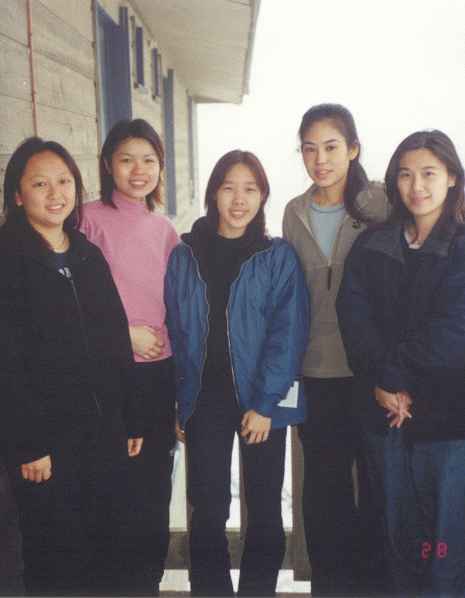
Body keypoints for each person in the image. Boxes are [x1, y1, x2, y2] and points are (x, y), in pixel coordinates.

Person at [0, 137, 142, 596]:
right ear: (16, 195)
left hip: (104, 432)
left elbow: (116, 339)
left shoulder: (88, 255)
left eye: (64, 181)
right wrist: (27, 442)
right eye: (39, 183)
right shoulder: (3, 260)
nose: (55, 193)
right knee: (56, 561)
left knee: (108, 551)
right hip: (46, 443)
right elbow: (1, 359)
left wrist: (130, 417)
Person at [336, 130, 465, 596]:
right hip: (385, 416)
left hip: (451, 419)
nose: (417, 186)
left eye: (429, 173)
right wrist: (383, 381)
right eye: (405, 175)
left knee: (447, 546)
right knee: (398, 542)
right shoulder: (372, 244)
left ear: (452, 179)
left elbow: (454, 334)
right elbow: (353, 316)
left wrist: (390, 376)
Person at [165, 150, 309, 597]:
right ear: (214, 193)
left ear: (263, 196)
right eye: (229, 187)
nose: (239, 198)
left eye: (250, 188)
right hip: (204, 401)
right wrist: (179, 402)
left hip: (262, 400)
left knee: (264, 512)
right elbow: (175, 331)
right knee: (208, 512)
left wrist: (265, 404)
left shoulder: (277, 257)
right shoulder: (184, 254)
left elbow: (288, 335)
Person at [281, 103, 390, 596]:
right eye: (310, 148)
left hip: (371, 373)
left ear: (353, 149)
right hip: (316, 373)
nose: (320, 159)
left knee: (375, 488)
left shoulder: (380, 204)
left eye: (331, 146)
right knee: (324, 495)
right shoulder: (294, 212)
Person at [78, 118, 180, 596]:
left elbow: (176, 305)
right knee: (114, 495)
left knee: (154, 495)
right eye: (126, 159)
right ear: (107, 164)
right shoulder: (87, 220)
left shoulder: (164, 228)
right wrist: (123, 337)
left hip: (160, 377)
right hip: (110, 377)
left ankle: (147, 586)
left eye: (149, 160)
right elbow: (71, 302)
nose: (139, 170)